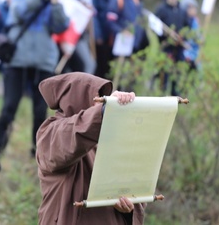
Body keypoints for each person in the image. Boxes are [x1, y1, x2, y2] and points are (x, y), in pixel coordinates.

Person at [36, 72, 145, 225]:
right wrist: (103, 111)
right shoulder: (50, 132)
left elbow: (129, 185)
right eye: (96, 98)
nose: (100, 104)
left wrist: (128, 207)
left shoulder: (108, 135)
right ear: (75, 98)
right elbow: (73, 135)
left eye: (103, 99)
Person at [0, 0, 69, 156]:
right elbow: (18, 13)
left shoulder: (53, 0)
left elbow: (61, 26)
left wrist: (55, 2)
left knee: (40, 110)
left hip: (44, 62)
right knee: (10, 105)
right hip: (17, 60)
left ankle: (37, 151)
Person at [154, 0, 191, 95]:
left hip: (179, 48)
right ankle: (161, 97)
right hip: (166, 48)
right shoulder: (161, 10)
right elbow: (156, 28)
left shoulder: (182, 11)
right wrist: (166, 36)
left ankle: (175, 98)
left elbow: (187, 27)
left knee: (177, 74)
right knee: (164, 75)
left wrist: (182, 37)